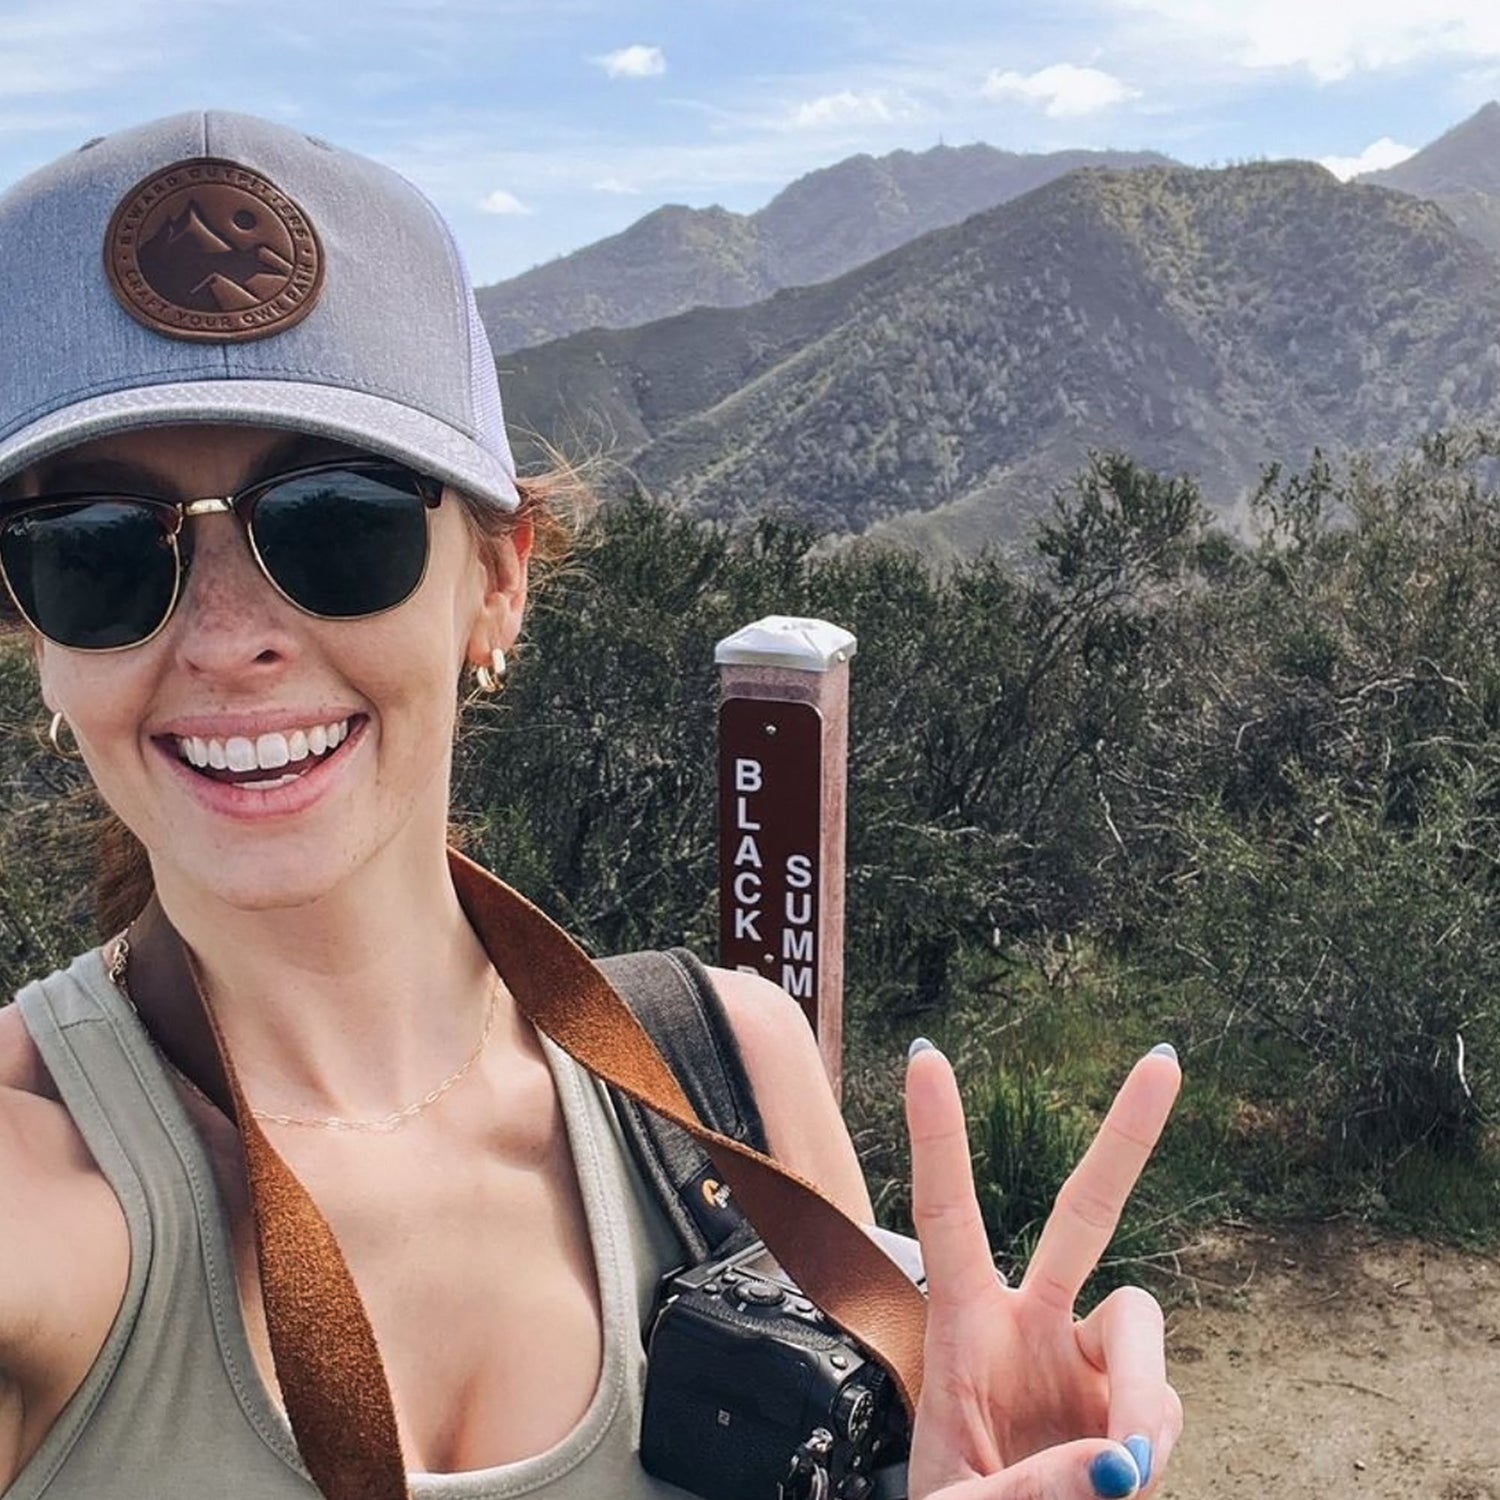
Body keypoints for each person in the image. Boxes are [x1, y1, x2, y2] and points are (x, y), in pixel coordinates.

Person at [0, 112, 1182, 1500]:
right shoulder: (32, 1192)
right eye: (90, 551)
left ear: (495, 579)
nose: (223, 640)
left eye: (335, 523)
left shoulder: (730, 1078)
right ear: (34, 638)